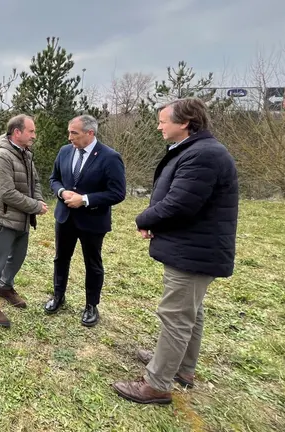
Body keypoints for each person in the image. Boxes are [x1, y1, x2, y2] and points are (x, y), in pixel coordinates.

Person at [112, 98, 239, 405]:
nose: (158, 126)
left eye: (162, 121)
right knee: (189, 312)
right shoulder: (196, 151)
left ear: (184, 123)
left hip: (195, 249)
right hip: (193, 245)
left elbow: (181, 203)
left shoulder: (203, 155)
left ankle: (156, 384)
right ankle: (182, 368)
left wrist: (145, 218)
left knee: (175, 316)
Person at [44, 114, 126, 327]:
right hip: (65, 217)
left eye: (74, 133)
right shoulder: (64, 151)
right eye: (69, 132)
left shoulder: (110, 157)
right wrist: (61, 192)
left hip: (93, 220)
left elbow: (117, 193)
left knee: (93, 263)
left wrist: (86, 200)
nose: (69, 137)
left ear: (90, 133)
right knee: (61, 258)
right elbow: (54, 179)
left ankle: (91, 305)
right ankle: (58, 296)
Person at [0, 114, 48, 328]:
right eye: (31, 131)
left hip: (22, 217)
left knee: (17, 256)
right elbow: (6, 193)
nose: (34, 136)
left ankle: (5, 287)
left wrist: (39, 199)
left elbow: (34, 181)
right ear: (17, 132)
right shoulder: (0, 157)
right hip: (4, 217)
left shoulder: (25, 153)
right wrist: (35, 206)